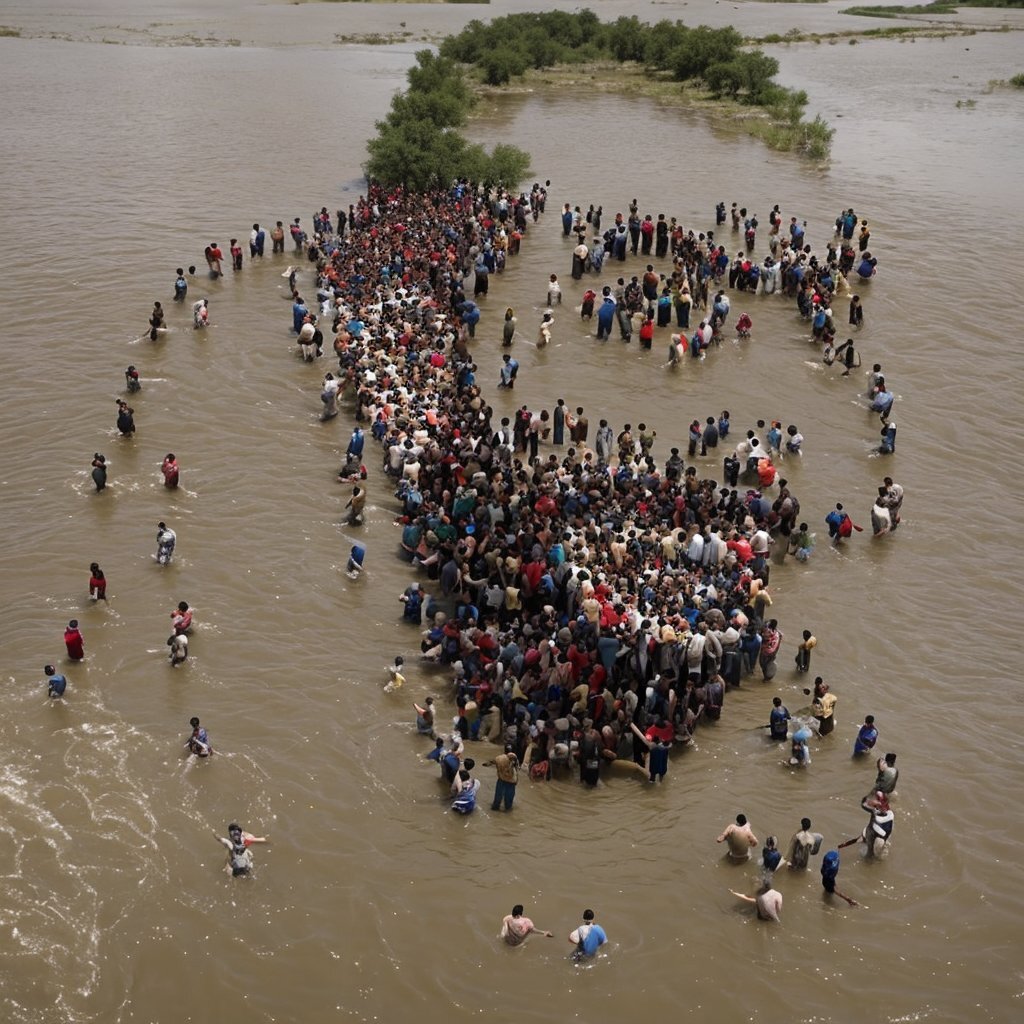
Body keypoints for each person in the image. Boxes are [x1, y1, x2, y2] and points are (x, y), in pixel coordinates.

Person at [839, 792, 894, 858]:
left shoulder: (875, 811)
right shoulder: (889, 814)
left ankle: (840, 847)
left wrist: (867, 797)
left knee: (868, 852)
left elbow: (863, 804)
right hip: (880, 835)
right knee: (874, 852)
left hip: (870, 834)